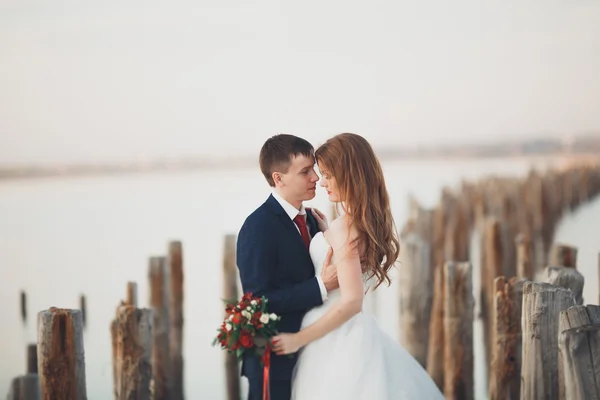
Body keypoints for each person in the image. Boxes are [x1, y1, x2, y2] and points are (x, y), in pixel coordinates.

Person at [272, 133, 445, 399]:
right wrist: (328, 233)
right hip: (351, 332)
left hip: (336, 339)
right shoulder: (355, 223)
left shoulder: (346, 227)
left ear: (349, 174)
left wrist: (299, 339)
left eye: (329, 174)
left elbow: (352, 301)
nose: (322, 182)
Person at [236, 134, 338, 400]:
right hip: (274, 358)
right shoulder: (257, 227)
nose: (315, 177)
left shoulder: (314, 221)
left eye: (314, 169)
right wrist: (320, 286)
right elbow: (256, 300)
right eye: (305, 172)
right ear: (278, 178)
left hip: (318, 351)